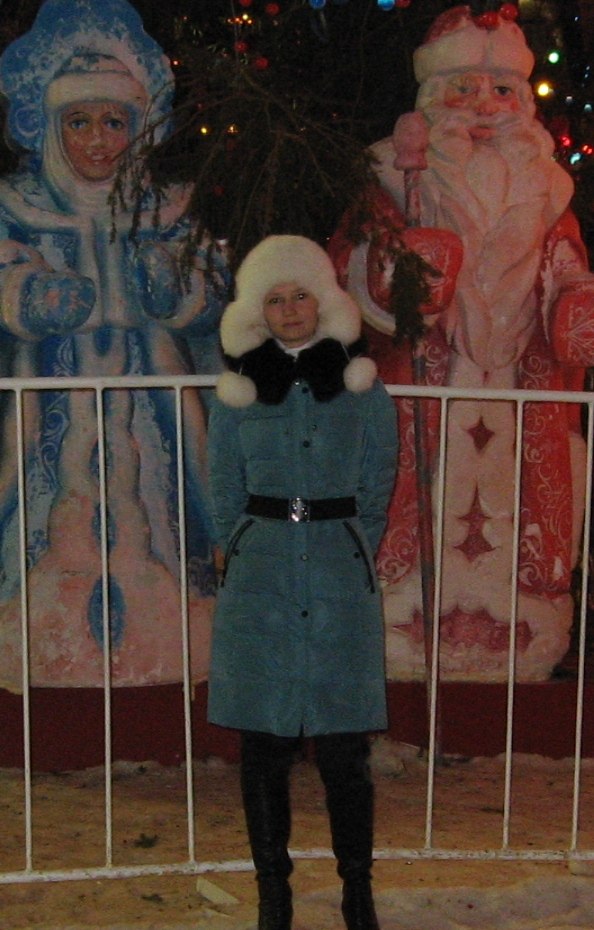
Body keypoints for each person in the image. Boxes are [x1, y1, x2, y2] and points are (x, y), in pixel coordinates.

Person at [329, 3, 594, 682]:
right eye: (464, 87)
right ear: (430, 95)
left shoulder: (547, 189)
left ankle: (519, 633)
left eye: (502, 88)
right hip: (422, 391)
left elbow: (565, 268)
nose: (484, 103)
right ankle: (402, 630)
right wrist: (396, 278)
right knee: (411, 504)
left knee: (515, 511)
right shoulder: (395, 178)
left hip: (518, 392)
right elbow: (349, 272)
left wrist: (575, 302)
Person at [0, 0, 230, 689]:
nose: (98, 141)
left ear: (139, 127)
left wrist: (177, 287)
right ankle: (33, 636)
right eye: (79, 121)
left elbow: (215, 291)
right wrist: (28, 296)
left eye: (114, 122)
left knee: (171, 509)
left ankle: (175, 638)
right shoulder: (16, 205)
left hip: (155, 408)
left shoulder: (170, 209)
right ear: (49, 126)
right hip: (46, 405)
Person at [207, 235, 398, 930]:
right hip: (260, 580)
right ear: (257, 312)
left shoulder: (363, 391)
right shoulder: (235, 396)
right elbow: (223, 488)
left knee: (345, 751)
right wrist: (243, 545)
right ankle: (274, 897)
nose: (289, 310)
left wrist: (347, 543)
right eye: (275, 299)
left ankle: (357, 893)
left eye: (300, 295)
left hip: (339, 578)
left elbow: (377, 485)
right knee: (263, 750)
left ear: (325, 301)